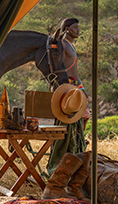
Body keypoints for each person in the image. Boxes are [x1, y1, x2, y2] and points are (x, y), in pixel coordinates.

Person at [46, 18, 91, 177]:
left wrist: (82, 88)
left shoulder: (71, 46)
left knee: (79, 122)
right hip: (65, 90)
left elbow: (75, 73)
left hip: (74, 88)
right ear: (66, 29)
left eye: (79, 27)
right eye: (75, 27)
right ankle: (60, 165)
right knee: (67, 126)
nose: (78, 30)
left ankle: (75, 160)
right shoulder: (62, 45)